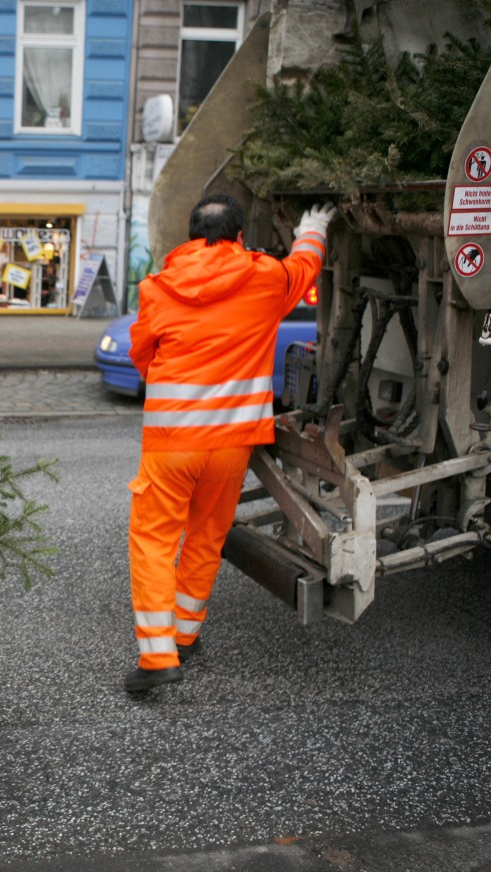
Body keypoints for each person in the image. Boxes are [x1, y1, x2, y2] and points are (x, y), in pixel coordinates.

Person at [122, 194, 334, 693]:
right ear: (240, 235)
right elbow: (304, 267)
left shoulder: (157, 288)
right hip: (234, 443)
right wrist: (314, 227)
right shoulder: (266, 279)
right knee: (205, 537)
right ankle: (187, 634)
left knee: (154, 542)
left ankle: (158, 656)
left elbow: (141, 353)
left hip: (173, 442)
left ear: (192, 234)